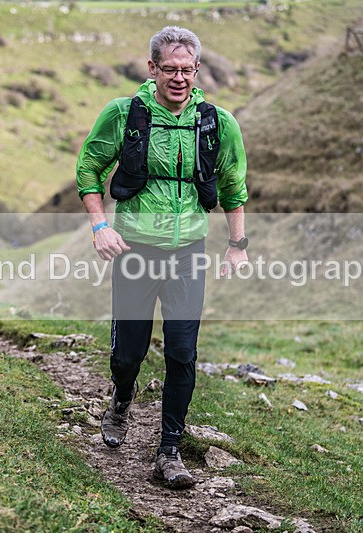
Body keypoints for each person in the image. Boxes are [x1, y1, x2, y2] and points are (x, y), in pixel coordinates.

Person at [76, 26, 248, 489]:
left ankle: (169, 451)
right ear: (152, 69)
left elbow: (233, 186)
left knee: (182, 352)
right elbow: (88, 169)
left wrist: (237, 245)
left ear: (197, 70)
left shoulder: (217, 123)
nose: (178, 78)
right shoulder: (123, 115)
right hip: (134, 248)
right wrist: (100, 226)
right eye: (169, 69)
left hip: (188, 251)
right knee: (128, 353)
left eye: (186, 70)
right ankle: (121, 399)